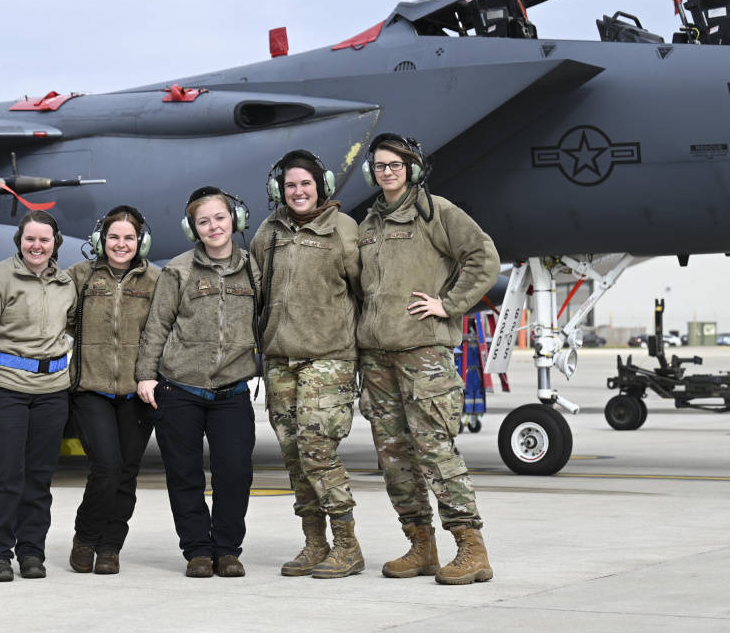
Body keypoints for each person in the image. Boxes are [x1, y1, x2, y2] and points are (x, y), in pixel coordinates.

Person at [356, 133, 500, 585]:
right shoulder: (369, 224)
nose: (386, 172)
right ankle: (421, 546)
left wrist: (449, 304)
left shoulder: (436, 212)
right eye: (379, 166)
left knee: (436, 451)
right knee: (395, 457)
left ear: (412, 168)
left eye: (394, 165)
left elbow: (483, 258)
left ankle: (471, 548)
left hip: (423, 354)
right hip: (378, 359)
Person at [249, 150, 363, 579]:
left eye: (305, 184)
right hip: (280, 359)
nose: (298, 192)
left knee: (317, 450)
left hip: (328, 357)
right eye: (290, 185)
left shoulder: (343, 230)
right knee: (295, 456)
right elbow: (257, 288)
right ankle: (315, 543)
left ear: (322, 187)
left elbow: (363, 290)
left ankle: (347, 545)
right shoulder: (269, 232)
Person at [135, 186, 260, 578]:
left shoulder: (254, 269)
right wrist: (145, 376)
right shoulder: (179, 270)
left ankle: (227, 550)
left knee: (235, 472)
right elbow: (157, 325)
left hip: (233, 391)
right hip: (180, 388)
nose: (213, 226)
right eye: (203, 221)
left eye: (220, 218)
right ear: (193, 229)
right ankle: (197, 551)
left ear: (234, 220)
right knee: (184, 473)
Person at [0, 210, 77, 582]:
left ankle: (32, 552)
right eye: (30, 238)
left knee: (39, 478)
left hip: (51, 394)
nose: (37, 246)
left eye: (44, 239)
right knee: (6, 475)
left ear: (54, 243)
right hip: (5, 391)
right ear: (20, 241)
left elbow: (71, 329)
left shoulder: (65, 284)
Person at [66, 206, 160, 575]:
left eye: (129, 238)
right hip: (91, 388)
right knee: (106, 467)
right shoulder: (79, 277)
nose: (121, 245)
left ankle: (110, 547)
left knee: (127, 473)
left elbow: (160, 332)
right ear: (100, 241)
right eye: (114, 237)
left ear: (141, 242)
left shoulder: (155, 281)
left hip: (137, 393)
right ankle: (85, 537)